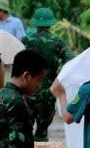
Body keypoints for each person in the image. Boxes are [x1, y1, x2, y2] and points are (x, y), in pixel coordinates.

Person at [22, 8, 70, 141]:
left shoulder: (25, 41)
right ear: (51, 23)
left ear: (35, 23)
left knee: (25, 131)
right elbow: (69, 63)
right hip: (48, 93)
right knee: (42, 132)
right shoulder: (58, 42)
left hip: (27, 91)